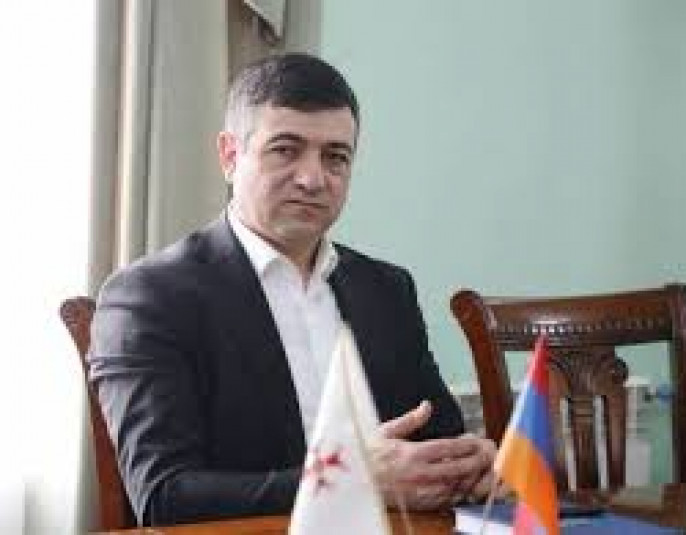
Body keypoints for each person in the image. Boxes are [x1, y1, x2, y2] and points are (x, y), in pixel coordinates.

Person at [89, 53, 497, 527]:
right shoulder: (148, 298)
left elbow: (438, 439)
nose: (312, 179)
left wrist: (469, 466)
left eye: (335, 157)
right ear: (229, 155)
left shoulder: (386, 289)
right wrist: (351, 479)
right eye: (285, 150)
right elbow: (164, 496)